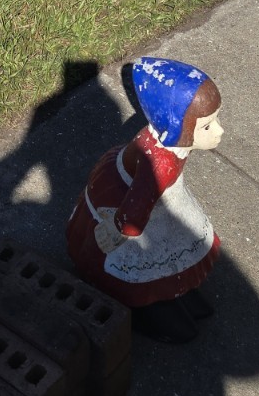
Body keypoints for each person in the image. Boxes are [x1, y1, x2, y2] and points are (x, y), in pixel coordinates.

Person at [66, 56, 222, 342]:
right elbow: (136, 208)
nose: (219, 132)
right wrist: (124, 231)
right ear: (178, 124)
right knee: (146, 256)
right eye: (208, 126)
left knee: (174, 246)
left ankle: (173, 289)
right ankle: (142, 299)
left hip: (150, 199)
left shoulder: (164, 142)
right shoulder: (161, 163)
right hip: (129, 210)